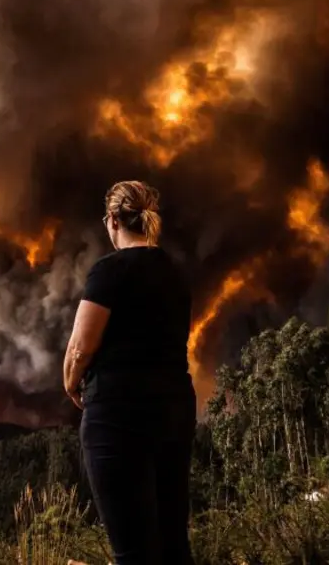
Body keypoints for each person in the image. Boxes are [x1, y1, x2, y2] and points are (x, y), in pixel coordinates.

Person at [63, 180, 196, 564]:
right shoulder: (175, 271)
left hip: (119, 415)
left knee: (133, 550)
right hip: (174, 408)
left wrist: (72, 383)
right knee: (173, 542)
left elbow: (79, 347)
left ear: (112, 221)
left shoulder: (110, 270)